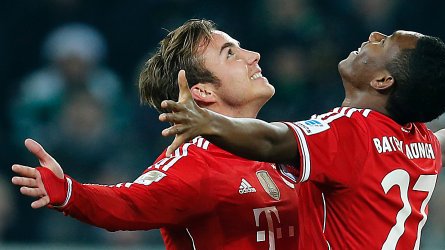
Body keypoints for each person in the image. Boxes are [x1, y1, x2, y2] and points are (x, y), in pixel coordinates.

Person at [158, 30, 445, 249]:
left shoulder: (351, 130)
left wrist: (208, 122)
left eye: (386, 42)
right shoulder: (419, 141)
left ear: (382, 80)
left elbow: (272, 141)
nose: (375, 35)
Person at [11, 19, 299, 250]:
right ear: (202, 91)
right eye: (231, 54)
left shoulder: (289, 147)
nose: (253, 56)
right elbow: (130, 203)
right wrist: (70, 192)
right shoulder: (195, 163)